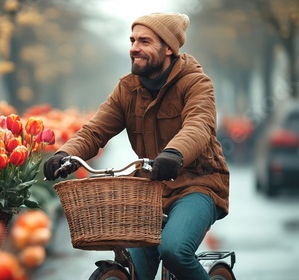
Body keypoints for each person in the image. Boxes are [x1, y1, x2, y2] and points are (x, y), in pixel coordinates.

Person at [43, 12, 230, 280]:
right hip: (149, 187)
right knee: (132, 266)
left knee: (174, 250)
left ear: (168, 48)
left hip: (198, 184)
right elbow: (96, 130)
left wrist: (174, 153)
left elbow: (199, 125)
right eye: (132, 40)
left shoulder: (196, 83)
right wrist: (66, 153)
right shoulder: (127, 89)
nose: (133, 48)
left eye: (144, 41)